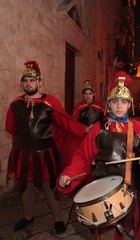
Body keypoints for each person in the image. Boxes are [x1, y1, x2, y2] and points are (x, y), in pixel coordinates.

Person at [57, 77, 140, 239]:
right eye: (115, 101)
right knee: (107, 234)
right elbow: (82, 157)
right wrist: (69, 173)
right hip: (103, 193)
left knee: (129, 233)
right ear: (108, 104)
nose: (119, 106)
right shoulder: (98, 129)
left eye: (124, 102)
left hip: (130, 190)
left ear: (129, 105)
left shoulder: (138, 129)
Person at [5, 61, 87, 234]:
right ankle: (28, 216)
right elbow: (10, 127)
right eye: (25, 80)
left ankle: (58, 219)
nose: (28, 83)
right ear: (22, 83)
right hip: (23, 153)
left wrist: (87, 130)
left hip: (46, 154)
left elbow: (66, 122)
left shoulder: (50, 102)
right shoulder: (15, 104)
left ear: (39, 82)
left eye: (32, 80)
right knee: (25, 186)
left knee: (50, 186)